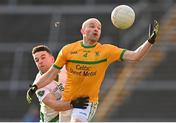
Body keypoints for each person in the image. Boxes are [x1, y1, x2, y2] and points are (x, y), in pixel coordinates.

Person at [26, 18, 159, 122]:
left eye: (99, 28)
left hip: (86, 102)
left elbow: (136, 55)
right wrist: (35, 87)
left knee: (77, 121)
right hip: (67, 103)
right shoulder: (68, 50)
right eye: (92, 26)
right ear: (82, 31)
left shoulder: (107, 50)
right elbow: (51, 74)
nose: (96, 29)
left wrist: (150, 41)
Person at [27, 45, 89, 122]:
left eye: (43, 58)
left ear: (52, 59)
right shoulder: (38, 85)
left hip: (70, 110)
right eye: (37, 60)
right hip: (52, 119)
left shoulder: (66, 67)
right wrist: (74, 103)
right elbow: (55, 106)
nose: (40, 61)